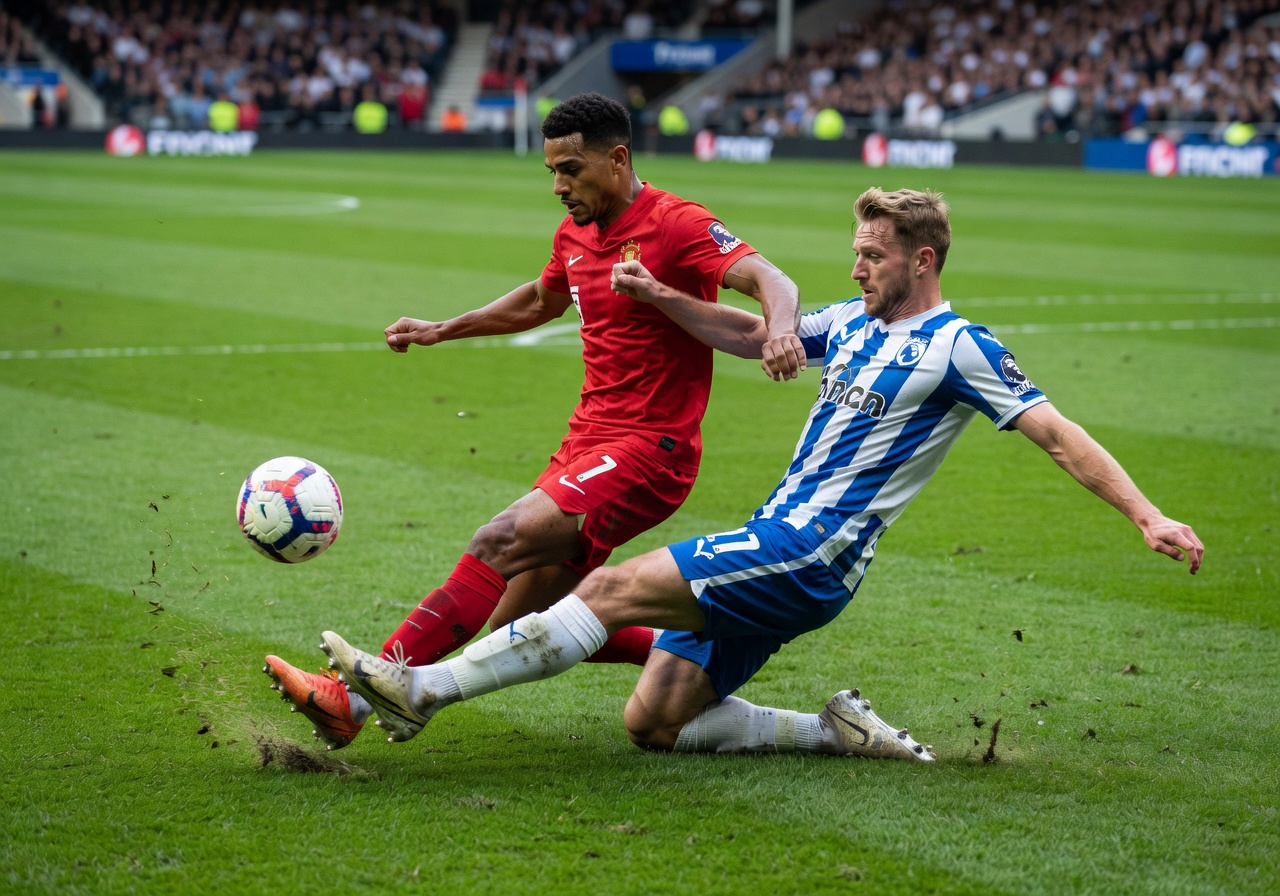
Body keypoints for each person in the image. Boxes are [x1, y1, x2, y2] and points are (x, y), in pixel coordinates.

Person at [317, 187, 1204, 761]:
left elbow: (1055, 433)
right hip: (783, 541)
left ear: (922, 261)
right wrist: (664, 298)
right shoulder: (853, 325)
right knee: (653, 725)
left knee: (616, 584)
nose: (858, 268)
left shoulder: (958, 346)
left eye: (875, 256)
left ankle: (421, 688)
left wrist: (1145, 515)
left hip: (812, 549)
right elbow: (751, 334)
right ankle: (832, 730)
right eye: (857, 252)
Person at [264, 92, 803, 749]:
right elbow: (540, 300)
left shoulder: (677, 224)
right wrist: (442, 328)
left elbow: (771, 279)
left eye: (572, 169)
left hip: (651, 451)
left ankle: (351, 699)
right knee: (519, 621)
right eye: (551, 171)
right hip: (586, 444)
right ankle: (681, 651)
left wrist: (780, 332)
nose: (559, 186)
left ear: (619, 158)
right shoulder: (574, 233)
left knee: (500, 538)